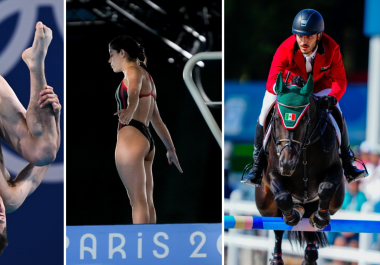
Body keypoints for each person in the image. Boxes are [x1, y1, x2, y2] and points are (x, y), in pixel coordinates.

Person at [242, 9, 367, 186]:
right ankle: (256, 164)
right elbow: (271, 81)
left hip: (319, 88)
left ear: (318, 35)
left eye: (308, 37)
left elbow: (340, 80)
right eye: (300, 36)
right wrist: (290, 85)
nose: (303, 41)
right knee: (264, 114)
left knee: (338, 113)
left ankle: (348, 162)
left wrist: (332, 98)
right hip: (288, 89)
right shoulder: (285, 48)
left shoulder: (332, 48)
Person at [0, 21, 61, 253]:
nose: (0, 215)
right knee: (44, 151)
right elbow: (44, 163)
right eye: (1, 222)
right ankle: (36, 63)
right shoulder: (10, 198)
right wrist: (55, 119)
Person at [108, 35, 182, 224]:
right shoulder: (148, 77)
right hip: (147, 140)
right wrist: (171, 149)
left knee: (137, 202)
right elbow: (157, 120)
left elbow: (133, 92)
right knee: (147, 202)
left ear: (122, 53)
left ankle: (140, 249)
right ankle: (148, 246)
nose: (110, 60)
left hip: (131, 135)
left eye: (111, 55)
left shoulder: (133, 72)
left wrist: (130, 109)